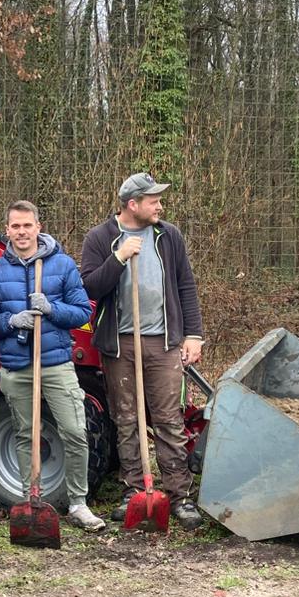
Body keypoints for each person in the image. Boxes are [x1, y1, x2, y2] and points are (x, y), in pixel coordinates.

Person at [80, 172, 205, 526]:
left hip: (163, 342)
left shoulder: (169, 236)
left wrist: (193, 334)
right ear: (132, 204)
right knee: (127, 420)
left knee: (168, 418)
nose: (159, 206)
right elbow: (90, 286)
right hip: (120, 344)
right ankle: (134, 491)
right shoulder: (101, 238)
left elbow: (186, 285)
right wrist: (118, 258)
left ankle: (179, 496)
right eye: (153, 200)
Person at [0, 201, 107, 532]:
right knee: (24, 433)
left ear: (38, 227)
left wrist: (52, 309)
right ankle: (29, 499)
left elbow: (82, 312)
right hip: (16, 365)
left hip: (55, 362)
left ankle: (78, 503)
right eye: (15, 227)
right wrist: (11, 320)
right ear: (7, 230)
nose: (22, 232)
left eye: (27, 225)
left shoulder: (62, 265)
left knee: (75, 431)